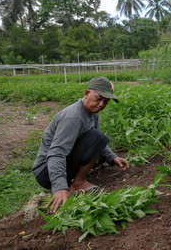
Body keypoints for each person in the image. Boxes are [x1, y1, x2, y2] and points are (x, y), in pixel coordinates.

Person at [32, 76, 129, 213]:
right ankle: (77, 184)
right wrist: (59, 187)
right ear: (86, 93)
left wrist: (112, 158)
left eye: (105, 102)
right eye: (98, 98)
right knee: (97, 137)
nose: (101, 104)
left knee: (97, 138)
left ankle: (76, 181)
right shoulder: (74, 117)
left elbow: (95, 142)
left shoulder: (92, 113)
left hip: (61, 165)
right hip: (46, 171)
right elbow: (56, 152)